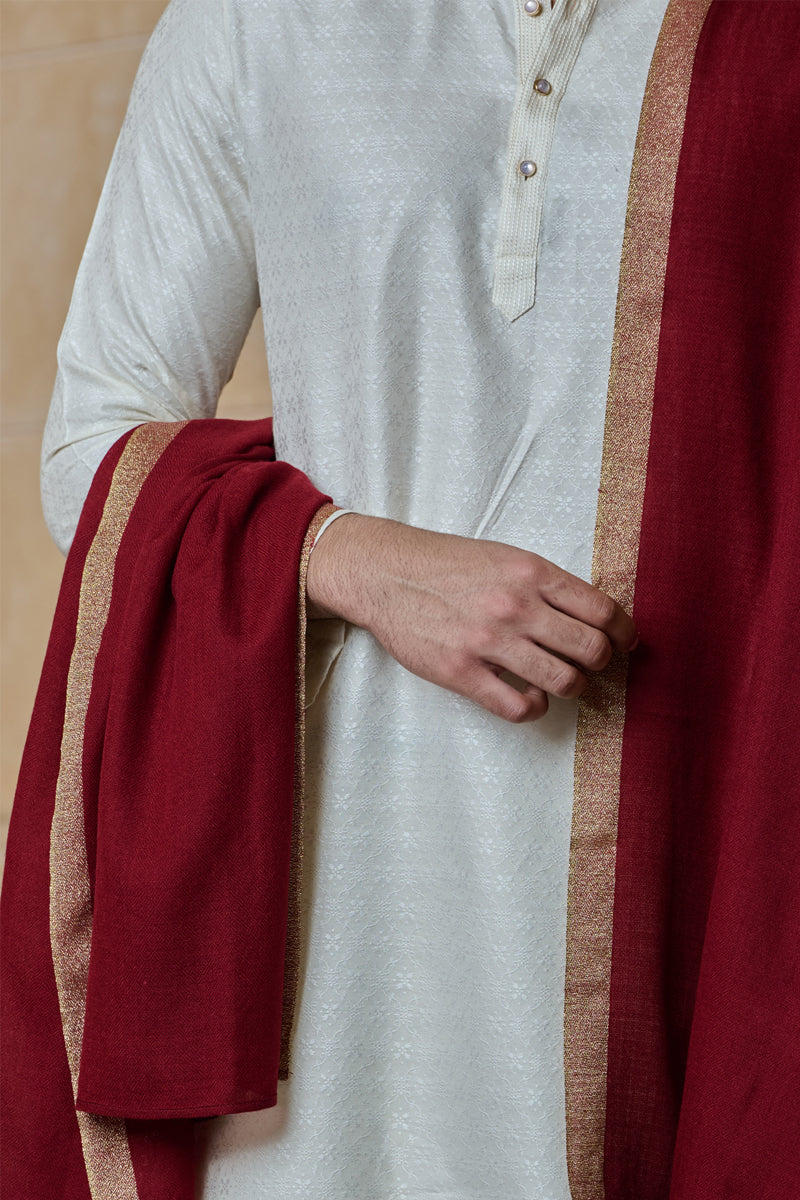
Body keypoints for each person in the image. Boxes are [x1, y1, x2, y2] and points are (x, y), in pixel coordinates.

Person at [3, 0, 799, 1197]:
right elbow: (93, 444)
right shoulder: (257, 24)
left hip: (700, 850)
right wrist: (358, 559)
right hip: (337, 905)